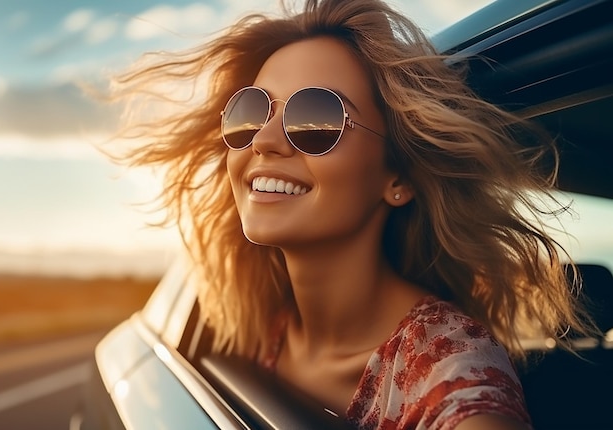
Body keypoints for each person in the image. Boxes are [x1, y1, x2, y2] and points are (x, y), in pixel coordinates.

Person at [104, 0, 598, 428]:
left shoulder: (452, 368)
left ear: (398, 178)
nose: (265, 141)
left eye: (316, 119)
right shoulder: (259, 321)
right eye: (251, 112)